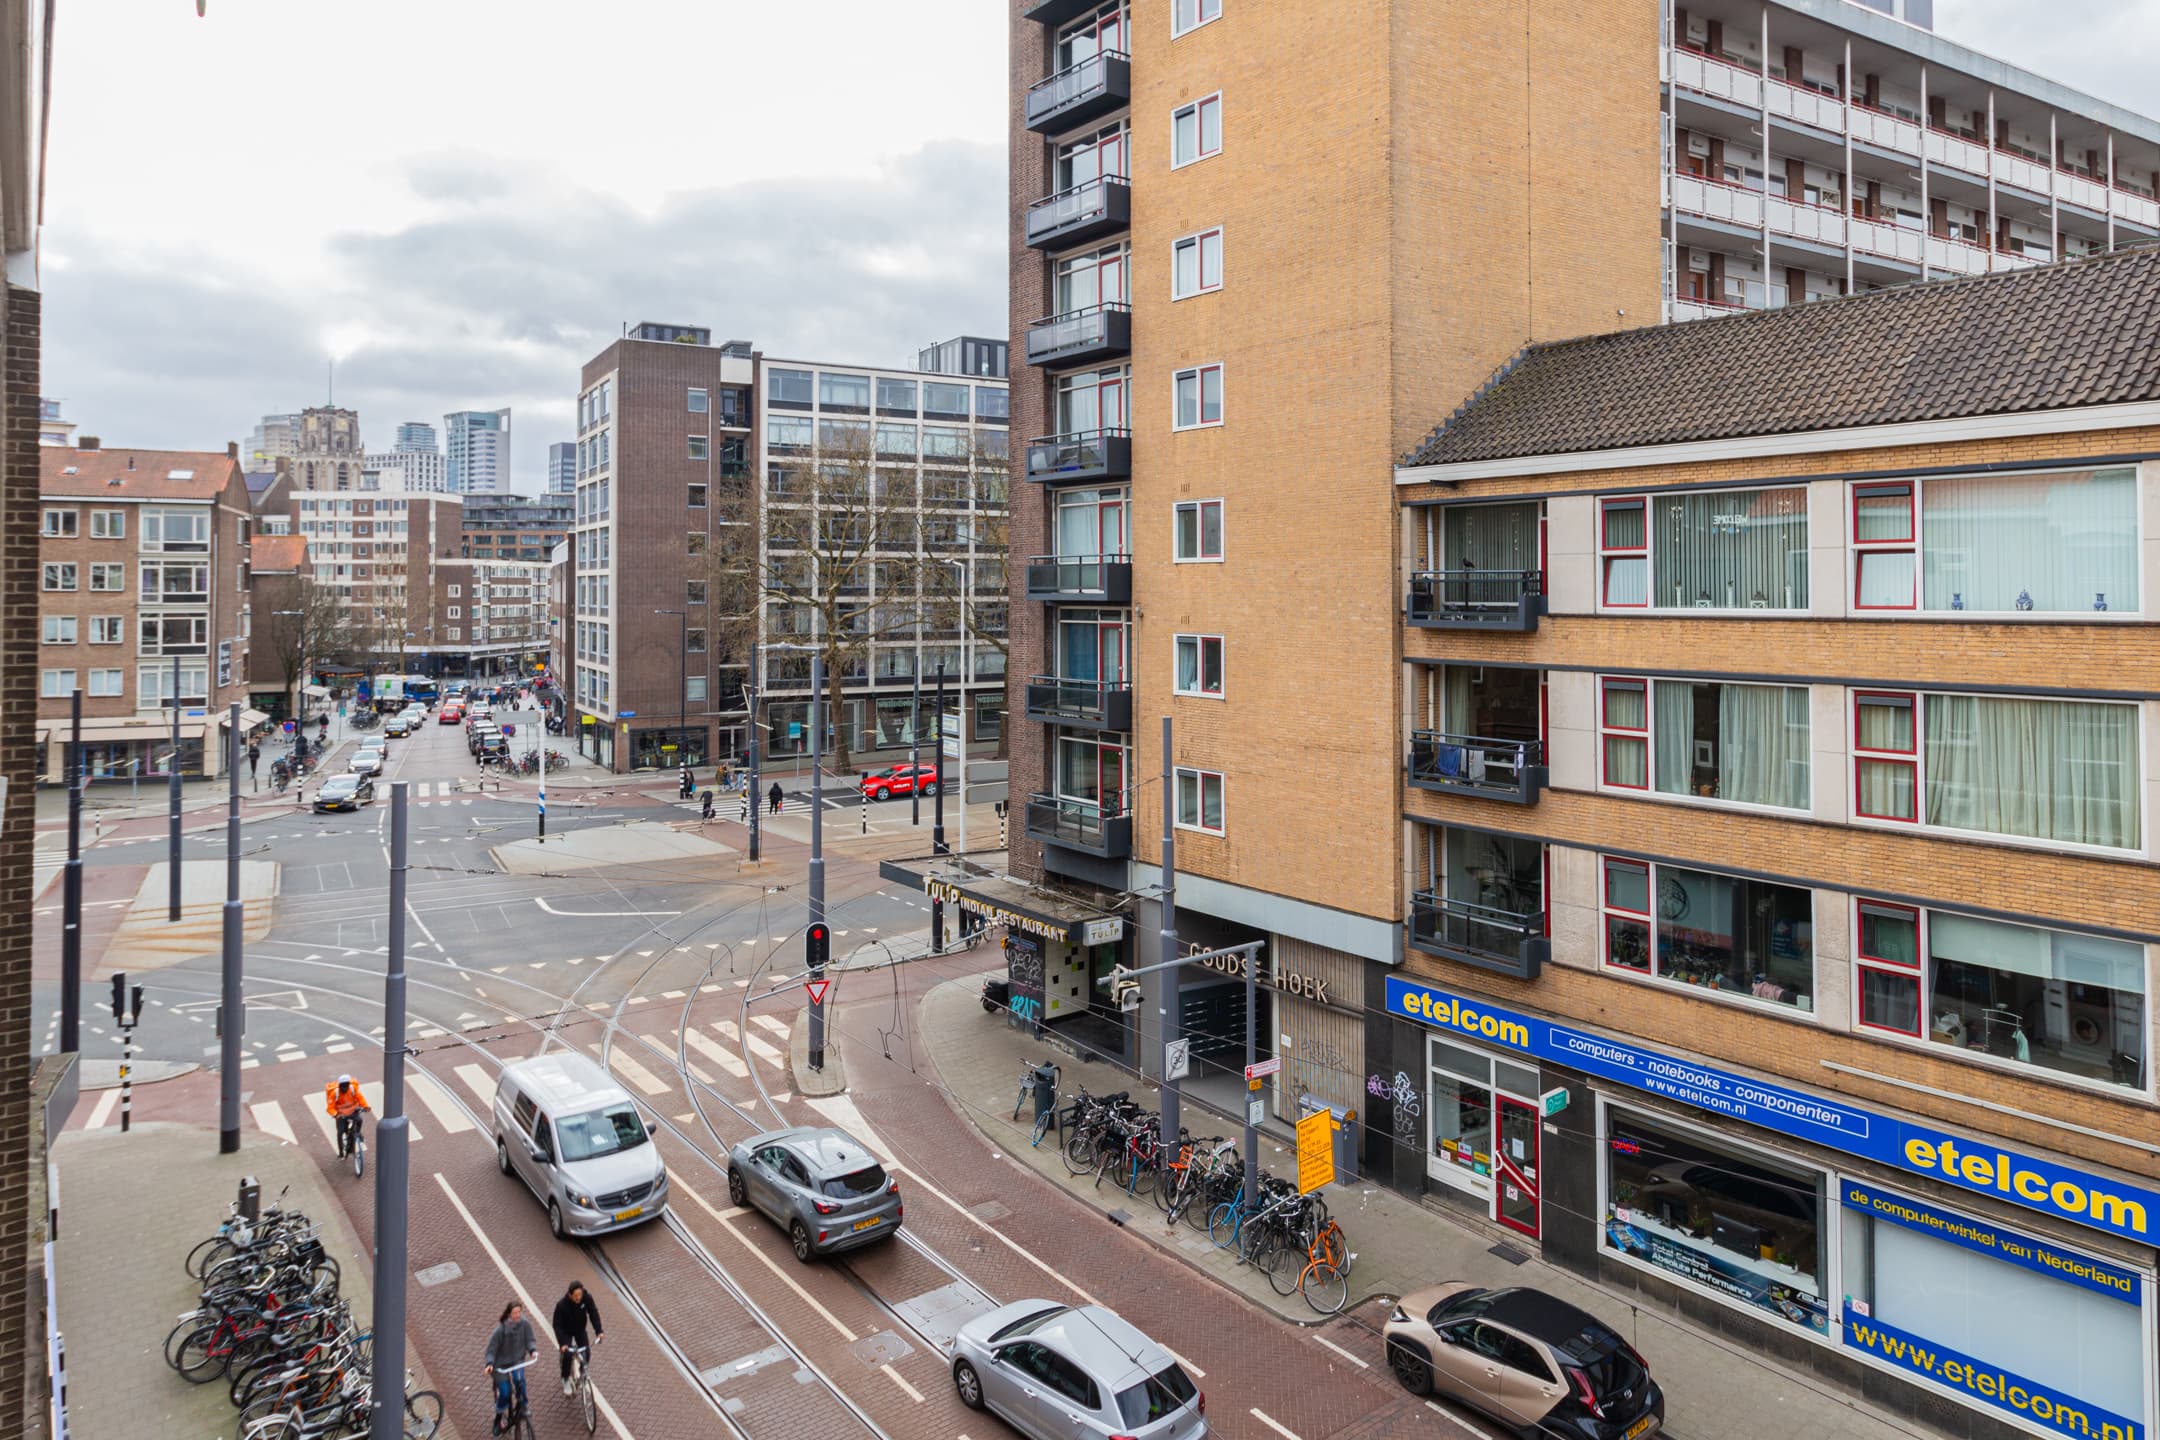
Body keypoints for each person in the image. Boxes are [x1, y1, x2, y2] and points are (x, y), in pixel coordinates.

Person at [484, 1300, 539, 1432]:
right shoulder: (501, 1330)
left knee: (520, 1380)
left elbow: (530, 1339)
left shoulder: (525, 1324)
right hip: (500, 1365)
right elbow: (491, 1349)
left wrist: (532, 1350)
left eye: (519, 1312)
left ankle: (524, 1405)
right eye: (515, 1313)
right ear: (509, 1314)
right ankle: (498, 1417)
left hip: (517, 1361)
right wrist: (489, 1364)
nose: (517, 1315)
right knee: (505, 1393)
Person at [551, 1282, 604, 1395]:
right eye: (576, 1296)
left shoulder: (586, 1298)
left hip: (579, 1329)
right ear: (570, 1295)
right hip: (566, 1331)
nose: (578, 1298)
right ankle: (565, 1378)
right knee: (568, 1354)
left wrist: (599, 1331)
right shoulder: (561, 1305)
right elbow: (557, 1325)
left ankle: (582, 1372)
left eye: (580, 1294)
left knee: (586, 1352)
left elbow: (593, 1313)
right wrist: (563, 1343)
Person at [324, 1075, 370, 1158]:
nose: (344, 1089)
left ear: (349, 1085)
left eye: (346, 1086)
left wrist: (366, 1106)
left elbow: (360, 1098)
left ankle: (358, 1133)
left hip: (353, 1111)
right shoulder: (335, 1093)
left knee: (359, 1120)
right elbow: (330, 1108)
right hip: (341, 1115)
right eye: (343, 1086)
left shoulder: (353, 1089)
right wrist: (336, 1114)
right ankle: (341, 1152)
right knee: (340, 1133)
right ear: (339, 1086)